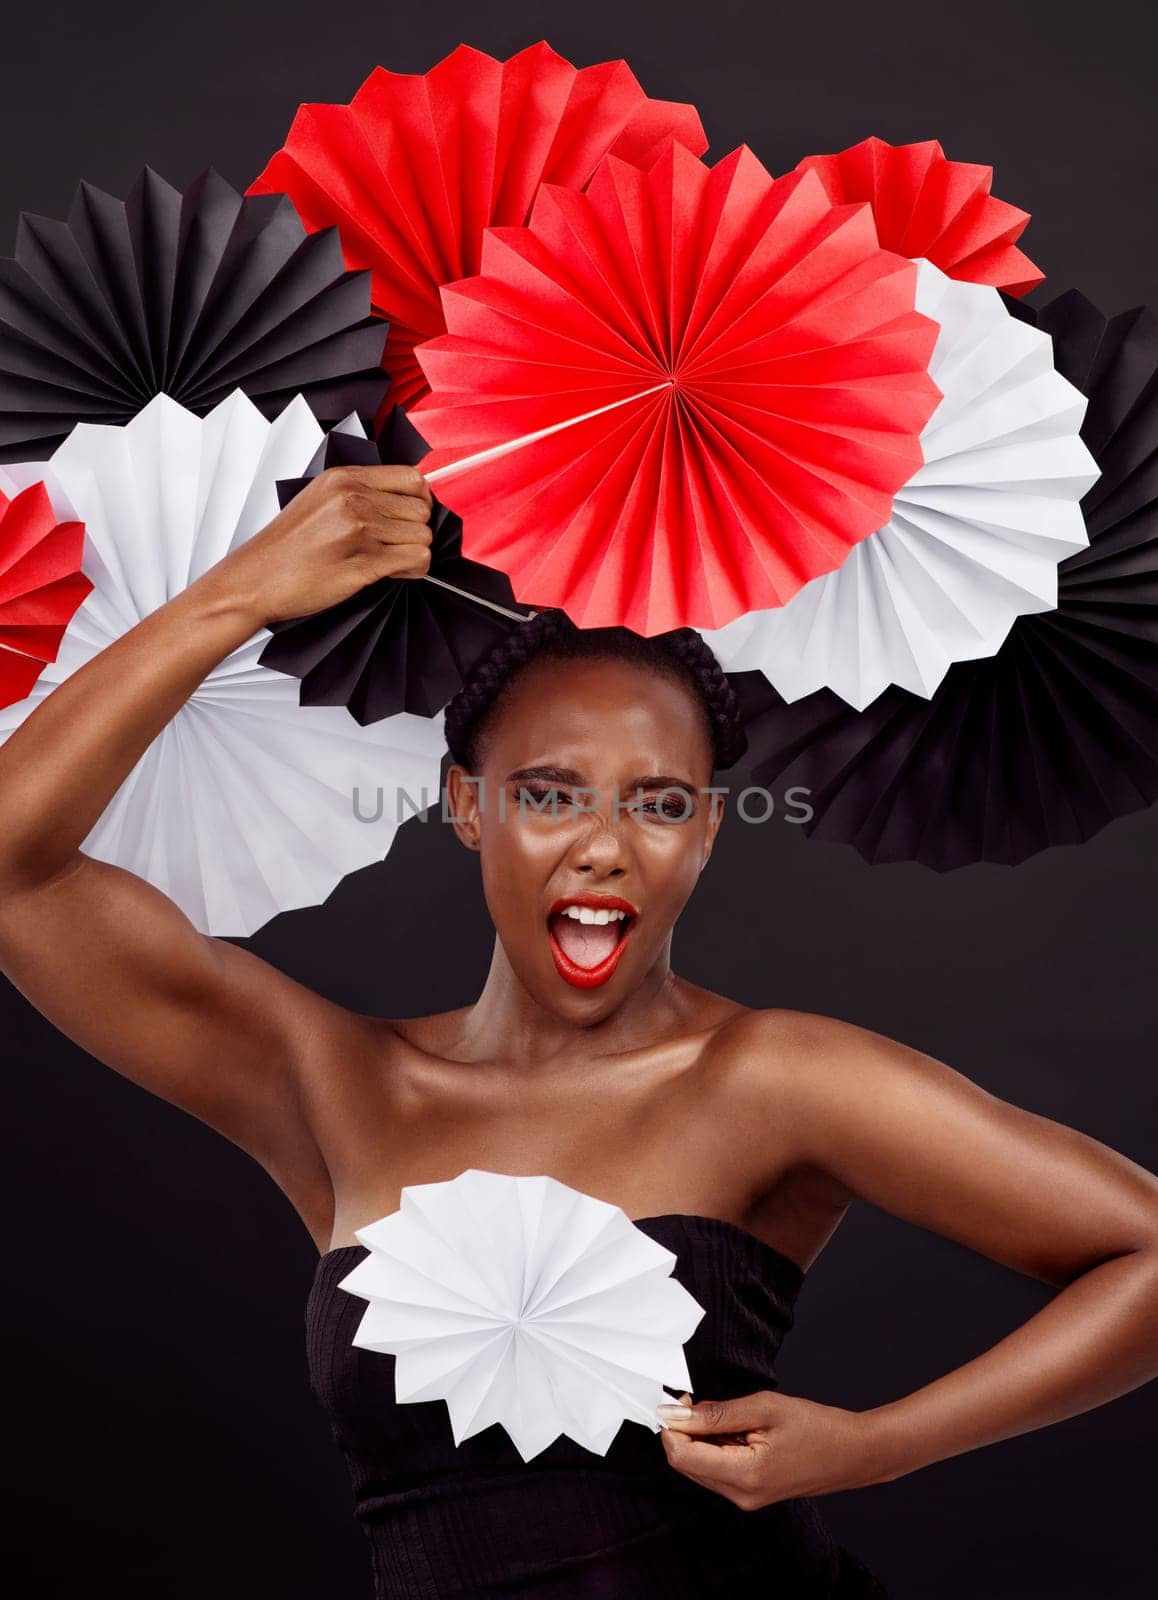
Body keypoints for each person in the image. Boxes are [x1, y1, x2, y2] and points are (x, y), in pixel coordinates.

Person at [1, 462, 1156, 1600]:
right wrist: (237, 595)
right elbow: (14, 873)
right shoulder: (337, 1083)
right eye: (550, 794)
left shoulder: (770, 1079)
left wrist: (877, 1444)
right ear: (468, 805)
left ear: (705, 832)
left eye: (656, 805)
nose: (604, 847)